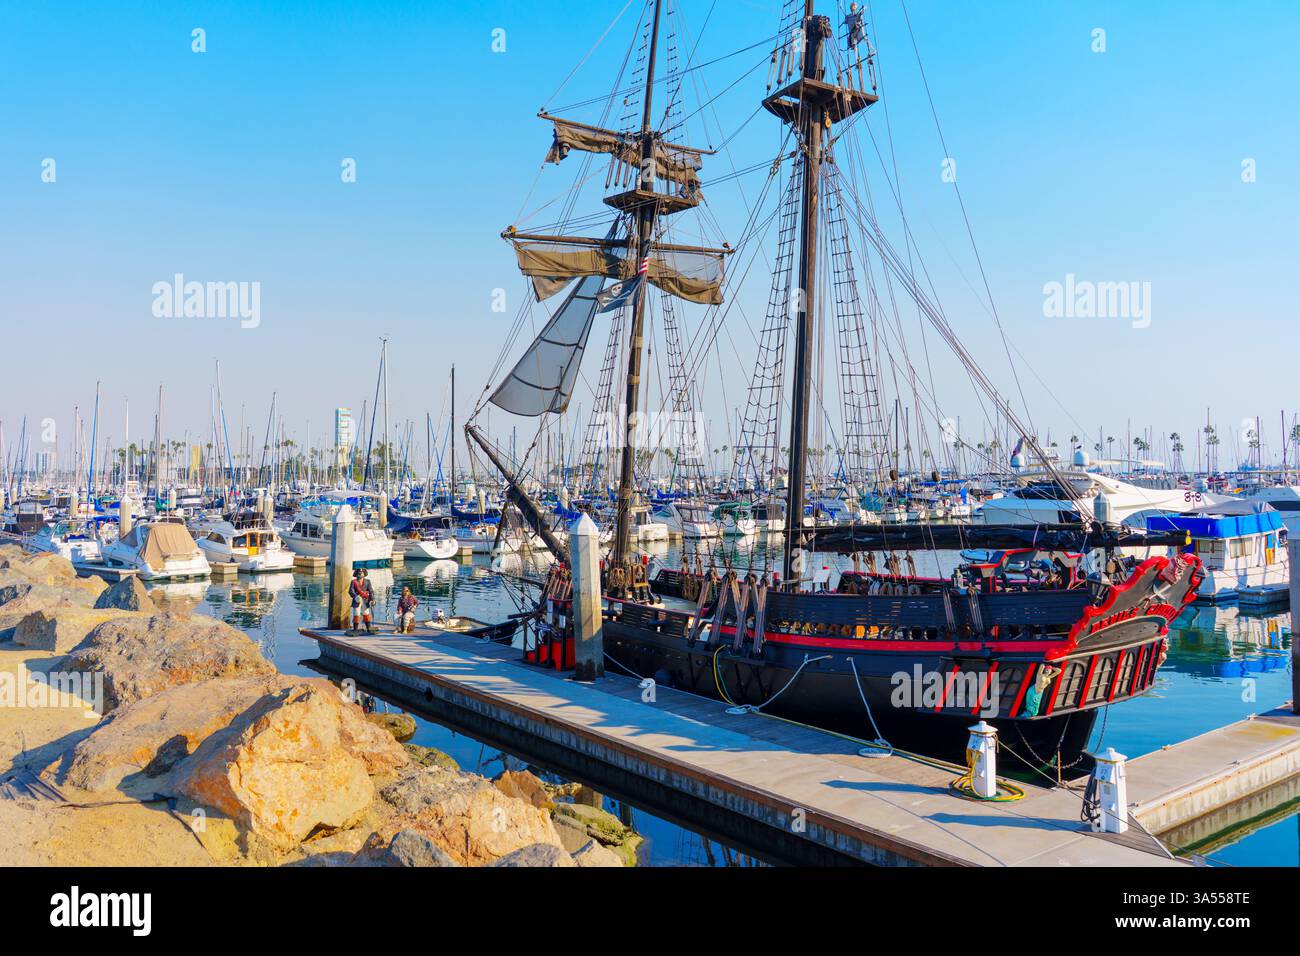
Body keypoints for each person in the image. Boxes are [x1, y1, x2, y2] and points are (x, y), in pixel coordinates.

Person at [348, 567, 374, 634]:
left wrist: (372, 599)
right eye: (359, 573)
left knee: (366, 613)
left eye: (361, 573)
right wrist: (355, 596)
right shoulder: (353, 582)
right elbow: (351, 591)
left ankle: (368, 628)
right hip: (357, 600)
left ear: (364, 574)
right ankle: (355, 629)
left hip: (365, 600)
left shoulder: (367, 581)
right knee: (356, 613)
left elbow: (371, 591)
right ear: (356, 574)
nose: (360, 574)